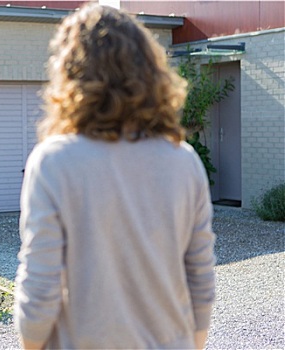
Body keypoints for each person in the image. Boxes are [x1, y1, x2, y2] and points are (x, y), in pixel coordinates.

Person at [14, 4, 216, 349]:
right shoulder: (184, 160)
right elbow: (200, 276)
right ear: (149, 70)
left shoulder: (54, 161)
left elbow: (40, 286)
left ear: (70, 71)